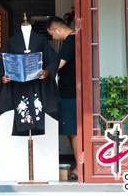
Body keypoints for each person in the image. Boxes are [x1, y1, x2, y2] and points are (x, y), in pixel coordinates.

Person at [47, 15, 78, 181]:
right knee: (70, 131)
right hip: (68, 91)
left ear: (57, 29)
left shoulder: (70, 41)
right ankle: (79, 165)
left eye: (52, 33)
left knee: (73, 131)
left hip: (70, 92)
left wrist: (44, 71)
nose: (52, 37)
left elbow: (59, 65)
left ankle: (80, 167)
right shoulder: (71, 41)